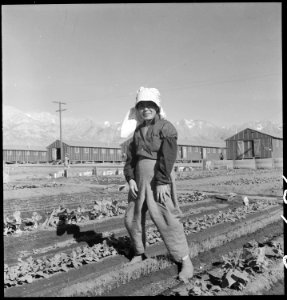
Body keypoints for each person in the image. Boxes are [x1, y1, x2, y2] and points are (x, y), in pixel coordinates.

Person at [122, 87, 194, 282]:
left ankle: (185, 260)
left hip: (158, 179)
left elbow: (167, 157)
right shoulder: (136, 132)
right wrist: (130, 178)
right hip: (138, 181)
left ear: (157, 107)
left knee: (167, 218)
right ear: (138, 109)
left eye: (150, 105)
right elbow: (130, 160)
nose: (146, 109)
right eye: (142, 106)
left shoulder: (166, 128)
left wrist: (163, 181)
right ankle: (139, 252)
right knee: (132, 217)